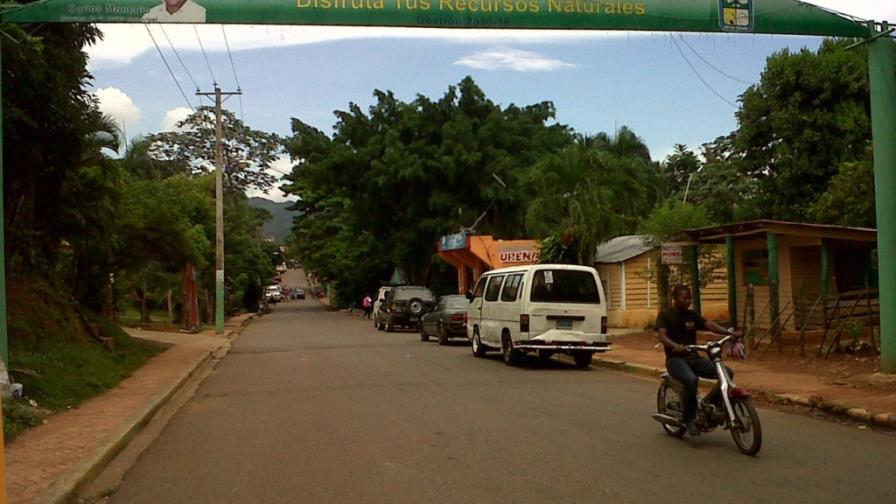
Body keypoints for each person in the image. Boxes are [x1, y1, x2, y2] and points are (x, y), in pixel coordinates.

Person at [656, 285, 739, 437]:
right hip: (675, 360)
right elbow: (662, 336)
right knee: (691, 379)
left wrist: (728, 333)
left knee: (726, 372)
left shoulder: (692, 315)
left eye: (689, 298)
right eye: (684, 298)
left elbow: (709, 325)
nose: (687, 301)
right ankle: (689, 419)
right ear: (675, 298)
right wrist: (676, 346)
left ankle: (710, 404)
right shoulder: (665, 315)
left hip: (694, 358)